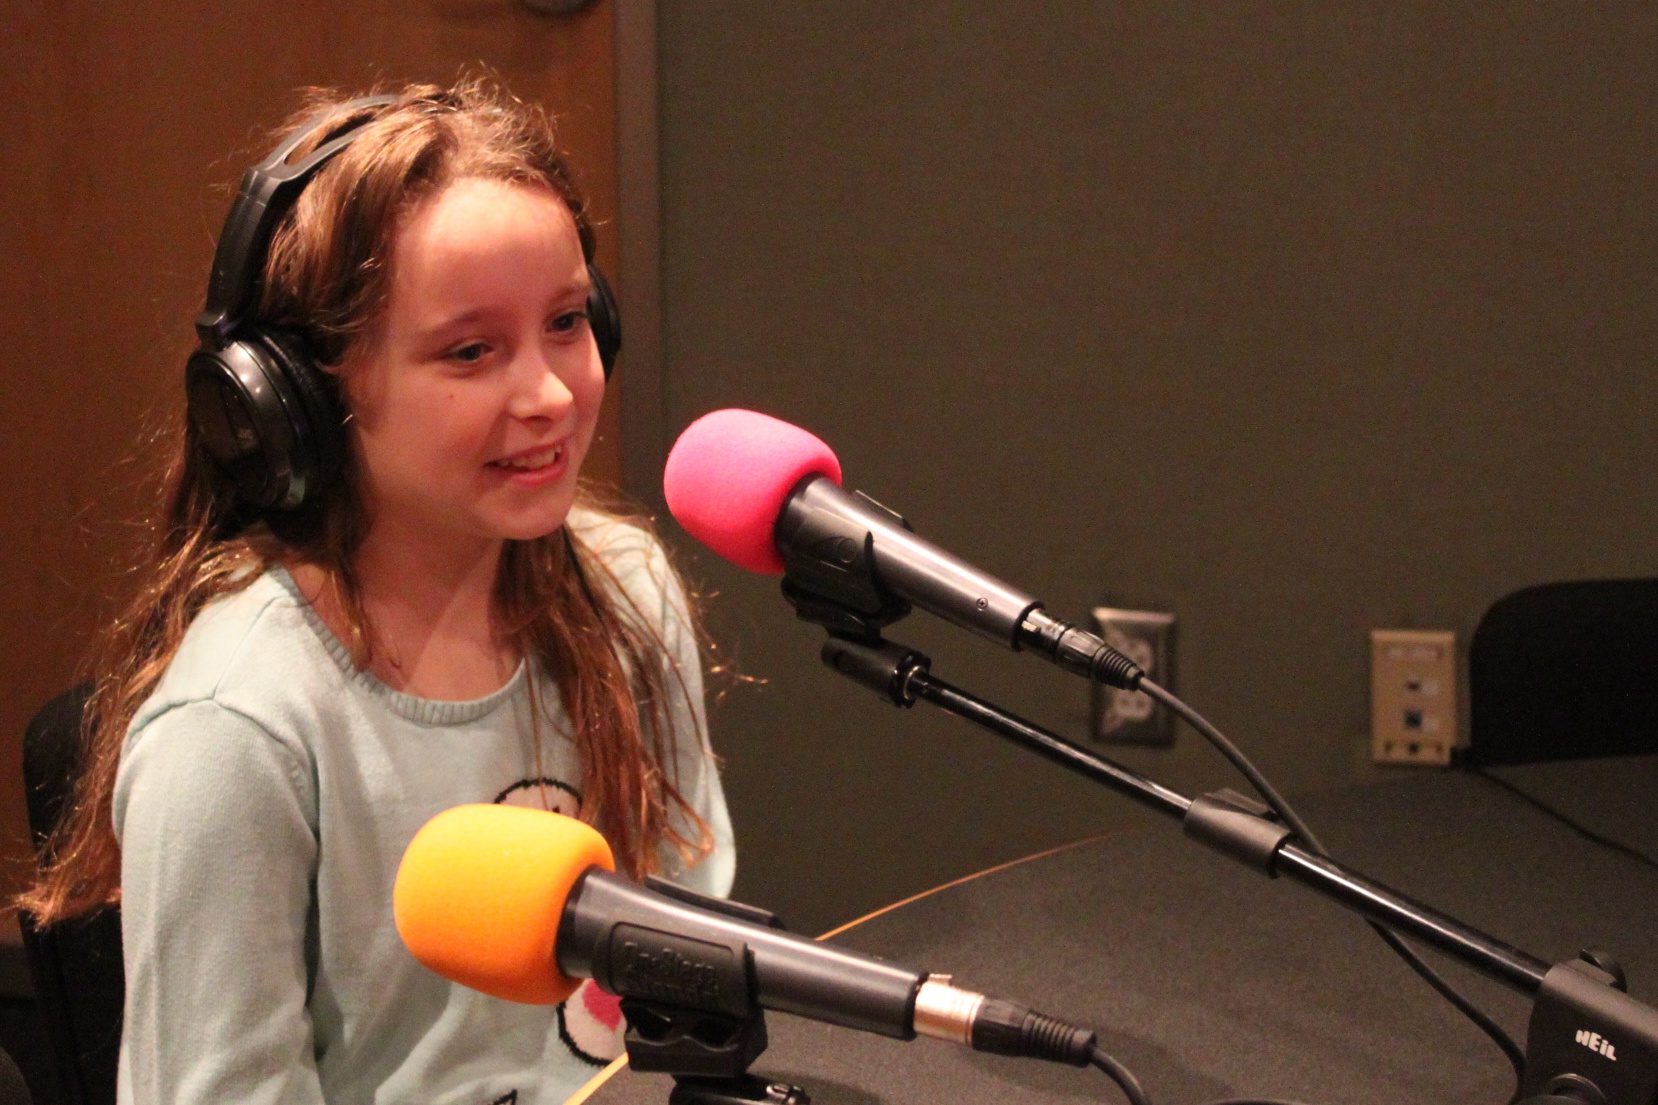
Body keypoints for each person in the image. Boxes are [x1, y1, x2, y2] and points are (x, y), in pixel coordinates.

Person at [18, 80, 734, 1105]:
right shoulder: (238, 727)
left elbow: (689, 968)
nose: (548, 393)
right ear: (302, 399)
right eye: (470, 351)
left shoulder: (623, 592)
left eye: (568, 321)